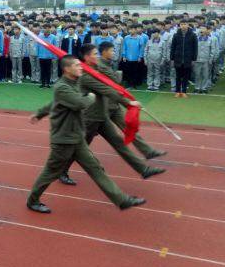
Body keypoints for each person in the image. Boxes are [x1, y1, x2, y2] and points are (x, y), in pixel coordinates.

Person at [26, 54, 145, 214]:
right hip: (64, 139)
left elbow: (53, 103)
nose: (81, 67)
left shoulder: (74, 83)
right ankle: (32, 200)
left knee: (96, 168)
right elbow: (80, 103)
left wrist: (39, 113)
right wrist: (90, 97)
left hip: (77, 137)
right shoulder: (62, 87)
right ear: (67, 69)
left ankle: (122, 200)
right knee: (50, 172)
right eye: (76, 65)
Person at [57, 44, 165, 185]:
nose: (97, 56)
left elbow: (111, 83)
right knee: (79, 149)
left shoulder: (96, 69)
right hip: (89, 118)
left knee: (119, 143)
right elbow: (106, 90)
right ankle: (62, 170)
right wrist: (128, 103)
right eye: (95, 54)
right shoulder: (85, 74)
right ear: (86, 57)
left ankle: (143, 169)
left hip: (102, 116)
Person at [95, 42, 166, 159]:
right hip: (103, 106)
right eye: (112, 50)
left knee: (128, 129)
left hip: (114, 104)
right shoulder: (101, 66)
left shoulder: (108, 64)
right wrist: (118, 75)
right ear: (104, 52)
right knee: (86, 134)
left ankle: (147, 151)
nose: (114, 53)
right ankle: (70, 156)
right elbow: (114, 82)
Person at [170, 20, 198, 97]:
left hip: (188, 59)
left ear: (188, 25)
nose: (183, 26)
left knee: (186, 77)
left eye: (184, 24)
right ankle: (178, 91)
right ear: (179, 26)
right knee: (178, 76)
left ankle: (184, 91)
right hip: (177, 59)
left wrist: (194, 59)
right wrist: (172, 59)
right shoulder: (176, 35)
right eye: (181, 24)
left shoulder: (193, 35)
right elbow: (173, 47)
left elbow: (195, 48)